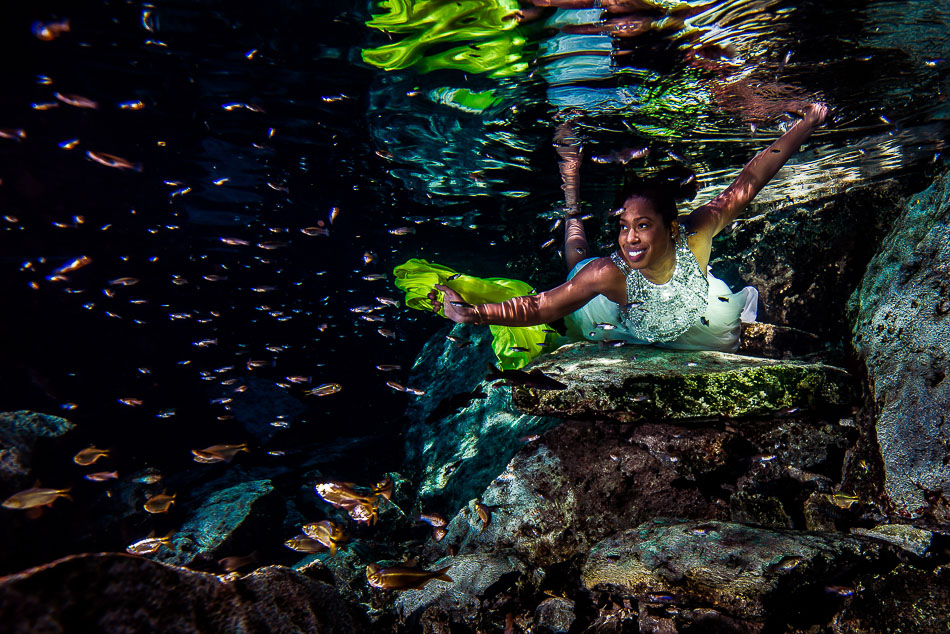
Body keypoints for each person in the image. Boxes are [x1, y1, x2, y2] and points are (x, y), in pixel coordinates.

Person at [428, 102, 828, 352]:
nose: (629, 238)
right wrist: (476, 315)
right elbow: (542, 304)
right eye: (623, 226)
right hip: (615, 319)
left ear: (672, 228)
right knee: (579, 263)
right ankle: (572, 195)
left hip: (698, 322)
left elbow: (749, 182)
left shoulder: (698, 232)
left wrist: (805, 124)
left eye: (642, 226)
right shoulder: (609, 274)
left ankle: (574, 197)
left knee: (584, 263)